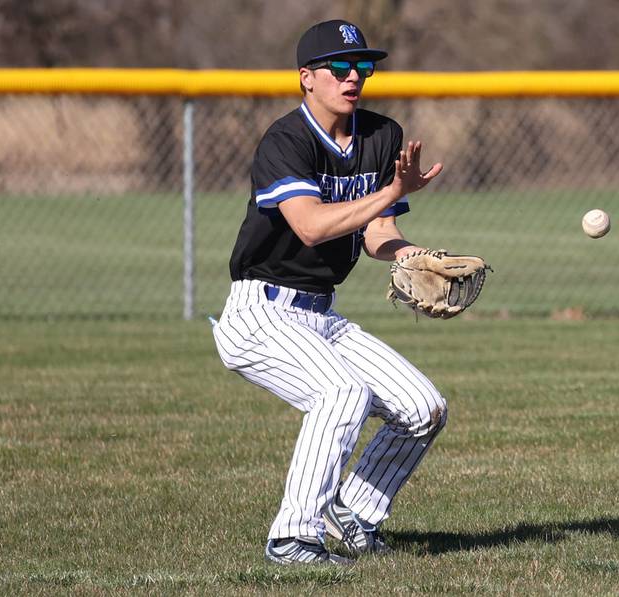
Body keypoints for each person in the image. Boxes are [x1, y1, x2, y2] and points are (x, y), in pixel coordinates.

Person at [212, 19, 447, 566]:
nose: (353, 77)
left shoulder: (381, 136)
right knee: (341, 395)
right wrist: (391, 189)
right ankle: (293, 537)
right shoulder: (285, 141)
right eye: (339, 67)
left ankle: (354, 514)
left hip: (322, 315)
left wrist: (415, 257)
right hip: (260, 311)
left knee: (423, 407)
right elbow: (313, 227)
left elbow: (378, 233)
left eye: (363, 67)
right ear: (306, 78)